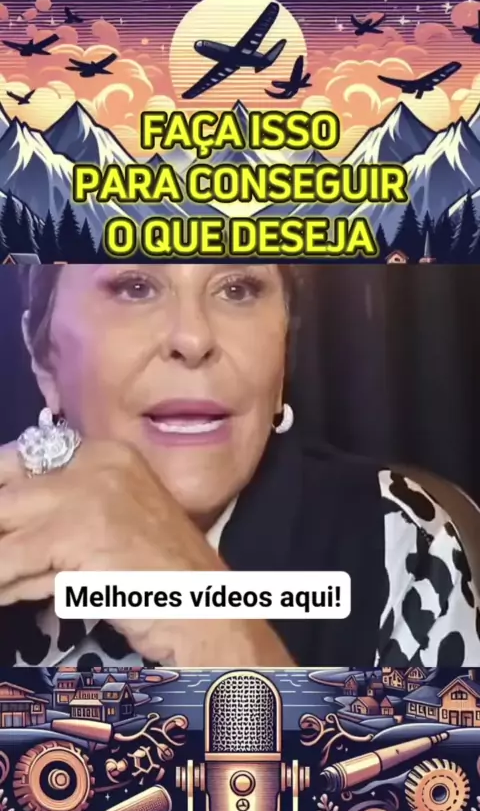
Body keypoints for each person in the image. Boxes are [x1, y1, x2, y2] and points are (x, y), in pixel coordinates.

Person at [0, 261, 478, 669]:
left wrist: (215, 629)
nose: (194, 338)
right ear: (44, 359)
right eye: (136, 287)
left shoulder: (400, 542)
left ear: (284, 351)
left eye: (237, 289)